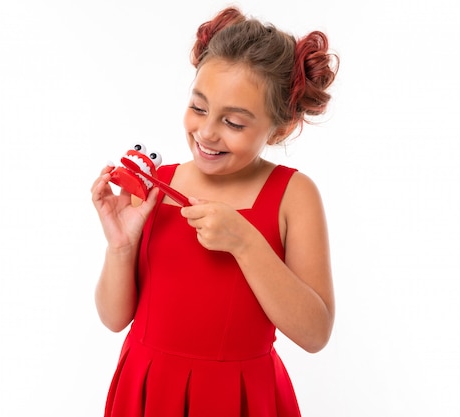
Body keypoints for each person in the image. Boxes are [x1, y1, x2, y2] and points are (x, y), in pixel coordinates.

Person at [90, 6, 338, 417]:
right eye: (199, 108)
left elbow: (315, 333)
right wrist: (120, 247)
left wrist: (246, 244)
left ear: (280, 128)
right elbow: (114, 319)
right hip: (148, 387)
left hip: (238, 396)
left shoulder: (294, 194)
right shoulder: (155, 186)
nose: (207, 132)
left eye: (235, 123)